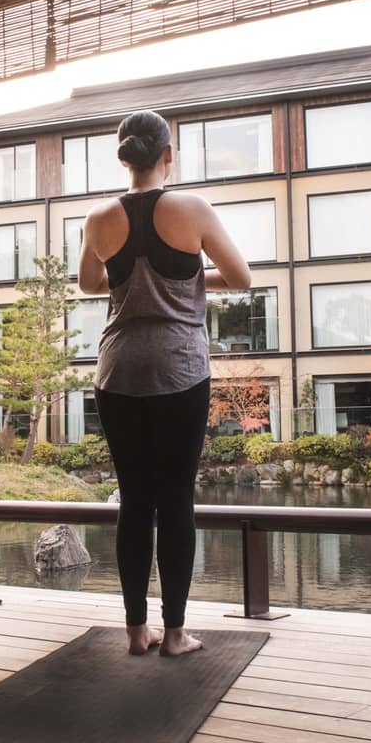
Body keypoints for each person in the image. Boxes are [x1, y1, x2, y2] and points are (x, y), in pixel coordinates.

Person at [79, 110, 253, 657]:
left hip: (118, 368)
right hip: (179, 368)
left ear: (122, 157)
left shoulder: (100, 216)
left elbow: (89, 283)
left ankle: (135, 630)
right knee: (176, 499)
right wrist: (186, 272)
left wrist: (137, 277)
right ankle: (175, 633)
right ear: (168, 155)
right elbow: (242, 277)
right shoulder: (191, 208)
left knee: (135, 501)